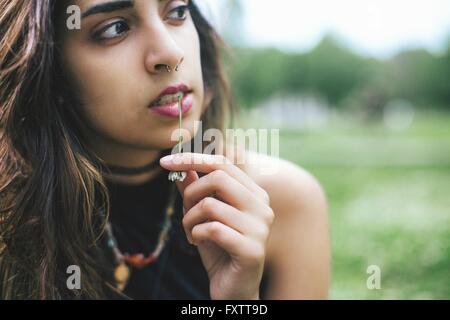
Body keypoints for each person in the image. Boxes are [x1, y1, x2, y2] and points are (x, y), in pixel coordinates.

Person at [0, 0, 330, 299]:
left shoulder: (282, 202)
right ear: (48, 68)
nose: (171, 54)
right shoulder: (12, 220)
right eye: (115, 28)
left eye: (176, 11)